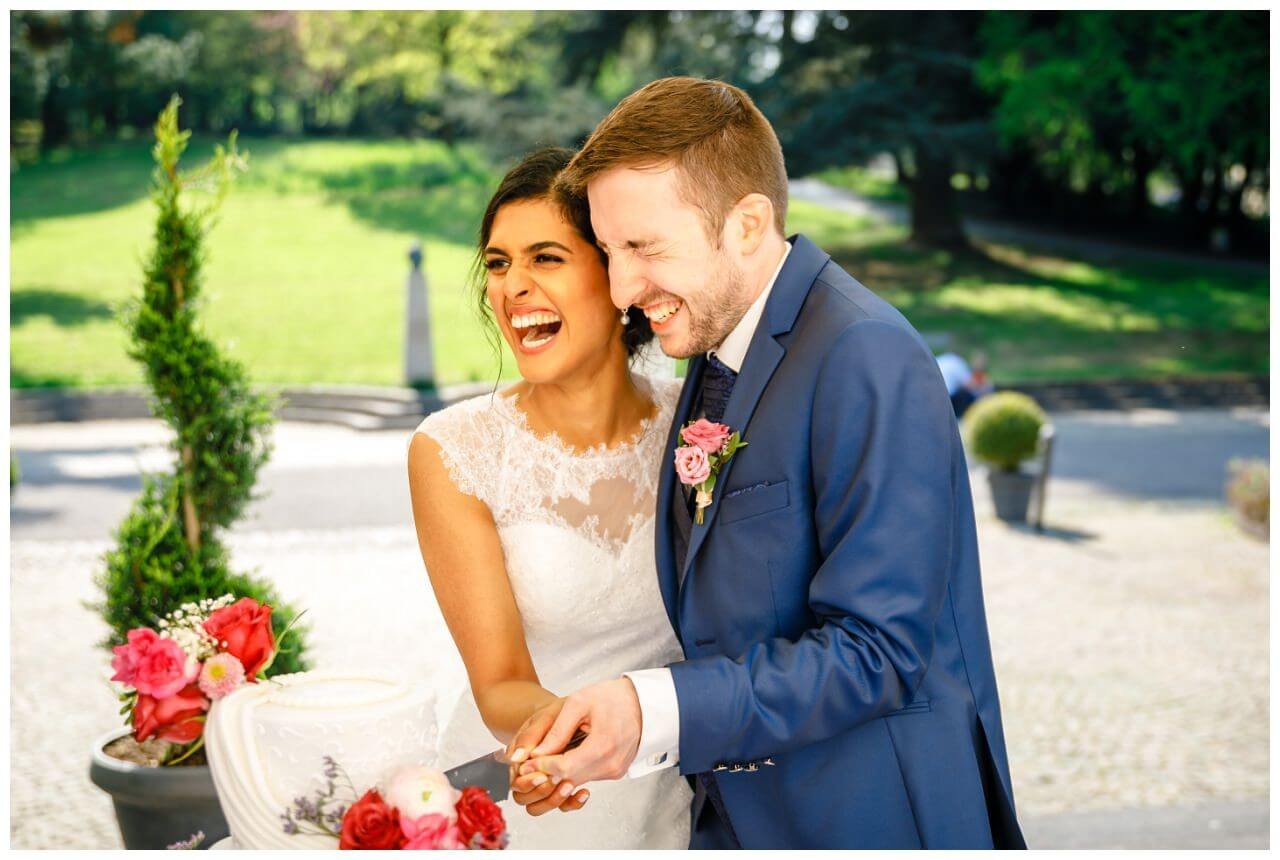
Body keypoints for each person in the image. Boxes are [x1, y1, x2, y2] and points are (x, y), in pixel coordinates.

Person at [506, 77, 1027, 849]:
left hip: (868, 819)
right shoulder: (714, 340)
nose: (620, 290)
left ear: (748, 224)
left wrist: (658, 709)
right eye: (611, 252)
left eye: (644, 247)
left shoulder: (865, 354)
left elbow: (877, 650)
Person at [405, 147, 692, 848]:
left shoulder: (705, 426)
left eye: (546, 258)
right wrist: (568, 747)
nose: (513, 287)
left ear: (616, 275)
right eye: (499, 264)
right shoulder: (454, 450)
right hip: (533, 797)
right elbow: (500, 680)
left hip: (683, 796)